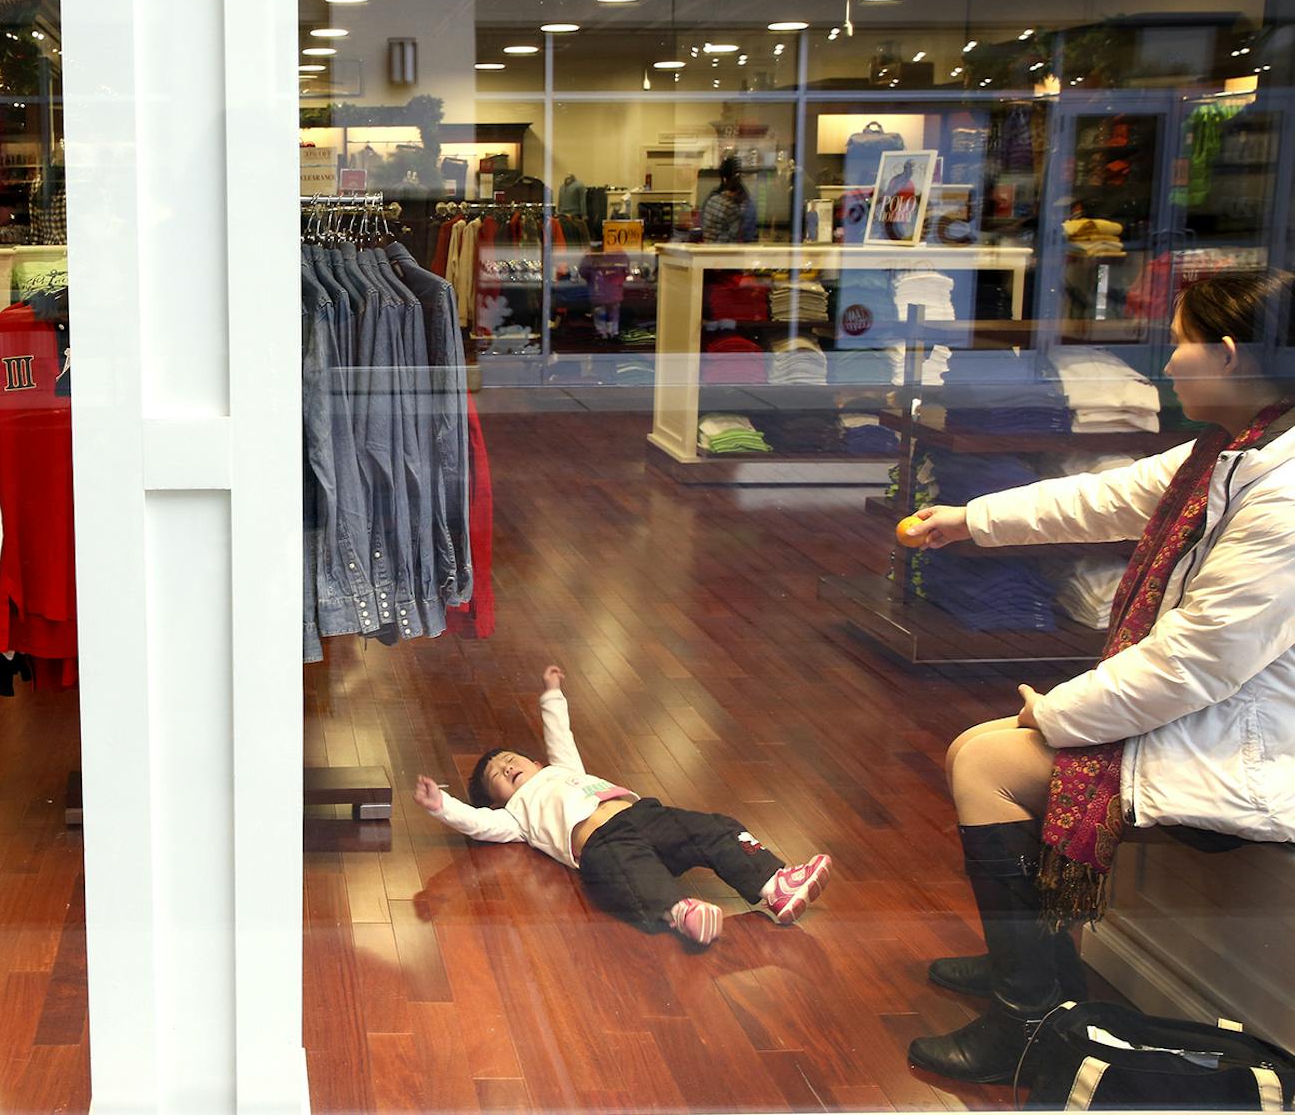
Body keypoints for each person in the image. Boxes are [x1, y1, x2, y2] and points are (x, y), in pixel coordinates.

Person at [900, 269, 1295, 1083]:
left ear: (1227, 355)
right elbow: (1107, 497)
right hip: (1219, 708)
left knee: (984, 761)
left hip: (1251, 745)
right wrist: (969, 520)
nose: (1168, 360)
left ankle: (1028, 1015)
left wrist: (1056, 712)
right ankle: (1038, 970)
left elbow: (1196, 660)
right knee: (981, 747)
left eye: (1181, 339)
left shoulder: (1280, 491)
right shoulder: (1236, 449)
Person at [414, 664, 833, 946]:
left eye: (510, 760)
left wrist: (552, 694)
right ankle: (678, 912)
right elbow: (476, 824)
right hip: (603, 843)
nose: (506, 769)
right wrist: (441, 805)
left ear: (535, 762)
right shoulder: (514, 816)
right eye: (497, 779)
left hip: (644, 814)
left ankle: (774, 884)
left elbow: (561, 736)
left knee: (713, 827)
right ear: (497, 801)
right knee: (629, 875)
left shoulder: (562, 770)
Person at [699, 155, 753, 243]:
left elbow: (703, 225)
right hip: (724, 252)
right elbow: (739, 236)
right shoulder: (735, 207)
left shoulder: (712, 198)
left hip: (708, 249)